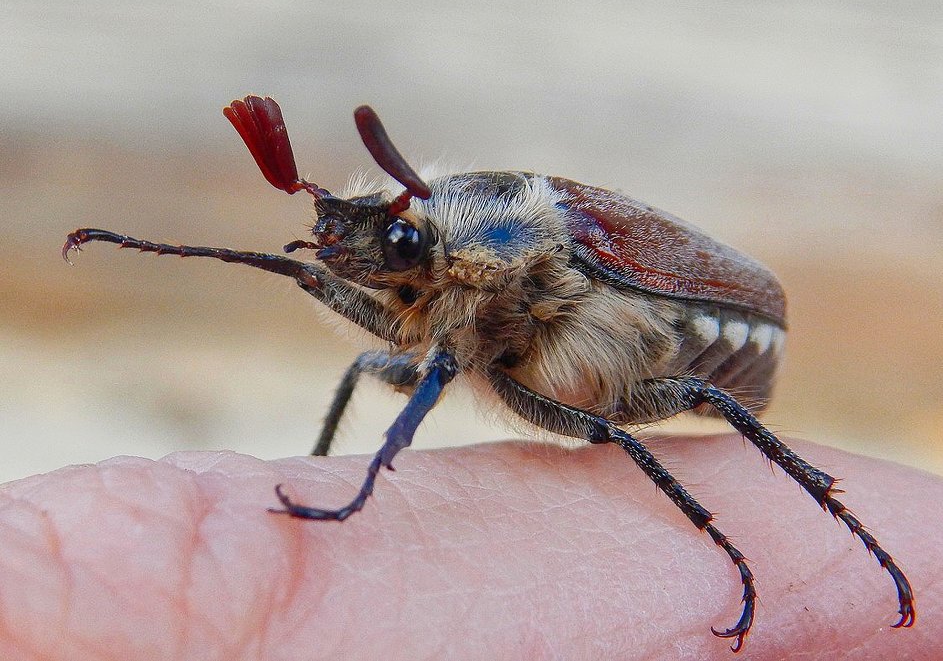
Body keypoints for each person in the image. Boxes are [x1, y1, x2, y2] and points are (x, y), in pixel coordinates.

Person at [0, 436, 938, 659]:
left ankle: (802, 528)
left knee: (626, 418)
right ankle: (348, 469)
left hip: (683, 334)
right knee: (378, 355)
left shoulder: (518, 260)